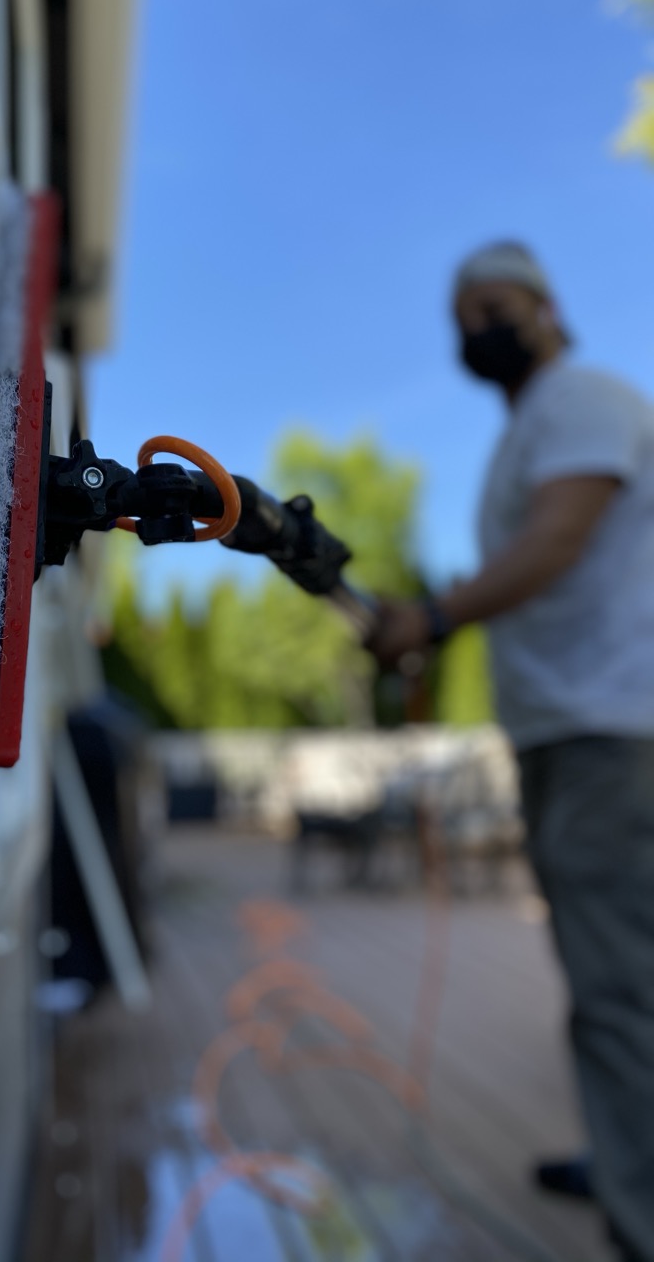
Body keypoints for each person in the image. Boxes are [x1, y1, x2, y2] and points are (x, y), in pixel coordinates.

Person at [367, 241, 654, 1262]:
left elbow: (557, 542)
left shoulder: (581, 397)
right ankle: (627, 1150)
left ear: (545, 306)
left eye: (493, 305)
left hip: (608, 733)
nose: (475, 328)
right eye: (462, 315)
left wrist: (432, 617)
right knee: (612, 973)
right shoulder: (533, 423)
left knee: (622, 986)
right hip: (570, 733)